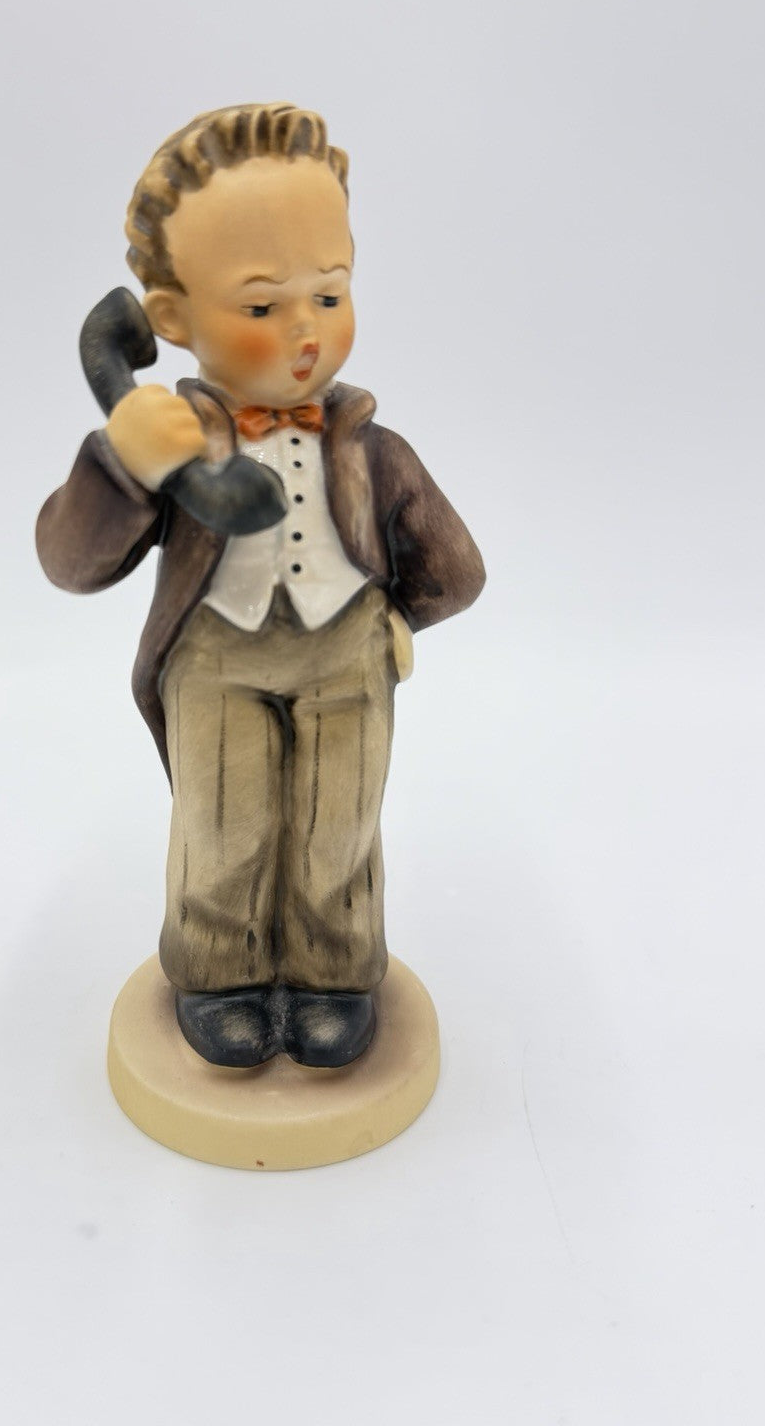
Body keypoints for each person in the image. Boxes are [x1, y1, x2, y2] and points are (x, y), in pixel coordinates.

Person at [36, 103, 484, 1069]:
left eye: (329, 293)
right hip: (217, 659)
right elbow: (71, 564)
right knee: (223, 820)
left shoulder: (372, 450)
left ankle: (333, 973)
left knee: (339, 822)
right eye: (260, 306)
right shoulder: (169, 446)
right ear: (170, 320)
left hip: (346, 655)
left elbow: (457, 568)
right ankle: (219, 971)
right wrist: (123, 462)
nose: (305, 330)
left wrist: (395, 618)